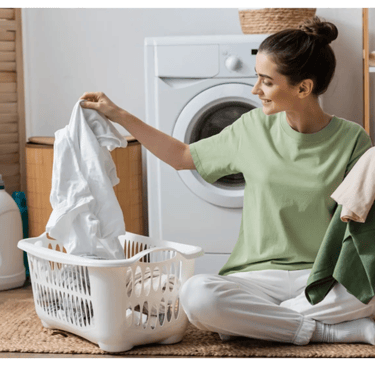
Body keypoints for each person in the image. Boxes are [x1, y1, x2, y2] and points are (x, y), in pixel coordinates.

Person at [80, 16, 375, 345]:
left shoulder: (353, 140)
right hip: (257, 277)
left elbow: (361, 228)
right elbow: (181, 156)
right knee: (198, 296)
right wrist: (119, 114)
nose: (254, 90)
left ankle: (256, 321)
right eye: (256, 78)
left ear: (303, 87)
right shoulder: (251, 128)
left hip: (322, 276)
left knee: (370, 288)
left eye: (266, 81)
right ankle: (327, 330)